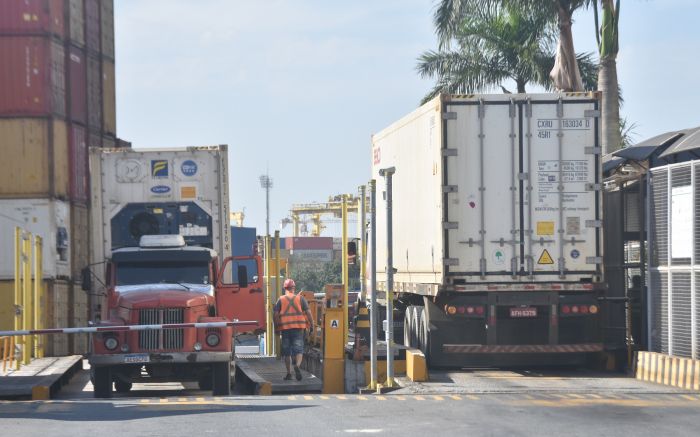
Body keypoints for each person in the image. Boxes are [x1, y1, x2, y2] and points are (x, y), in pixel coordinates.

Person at [273, 278, 314, 381]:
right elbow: (308, 313)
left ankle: (288, 373)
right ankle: (297, 366)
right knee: (299, 350)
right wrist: (312, 325)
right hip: (298, 328)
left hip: (285, 329)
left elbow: (275, 315)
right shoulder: (300, 299)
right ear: (294, 288)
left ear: (285, 288)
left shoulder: (281, 299)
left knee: (287, 352)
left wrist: (276, 328)